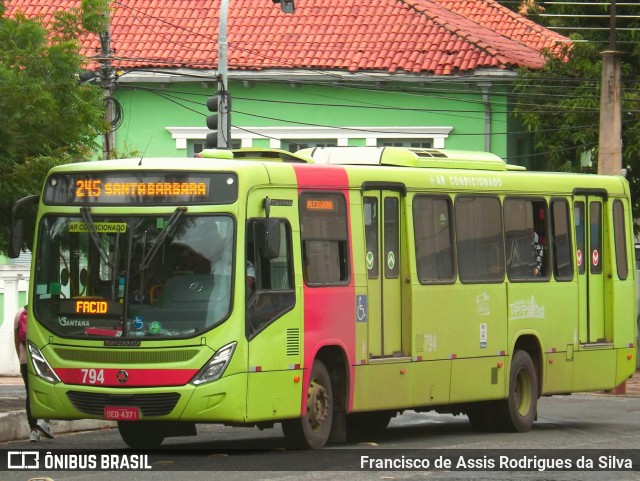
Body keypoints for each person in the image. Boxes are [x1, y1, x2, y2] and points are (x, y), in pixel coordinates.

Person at [13, 305, 55, 442]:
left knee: (29, 393)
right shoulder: (43, 311)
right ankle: (44, 421)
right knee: (50, 389)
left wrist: (21, 360)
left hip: (25, 360)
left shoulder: (19, 313)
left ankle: (33, 431)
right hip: (42, 359)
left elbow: (17, 340)